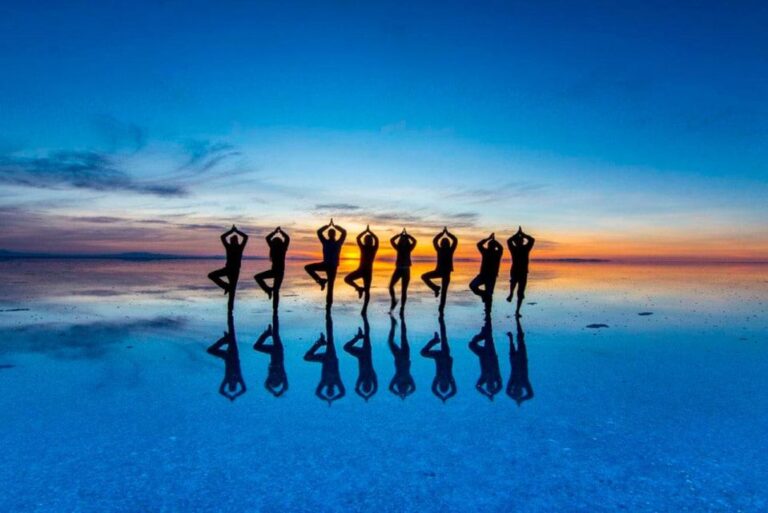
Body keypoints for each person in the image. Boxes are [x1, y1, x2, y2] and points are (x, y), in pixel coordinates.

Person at [305, 219, 347, 309]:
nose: (331, 235)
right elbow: (319, 232)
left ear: (335, 235)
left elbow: (344, 232)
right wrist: (327, 226)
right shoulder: (325, 242)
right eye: (330, 233)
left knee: (330, 288)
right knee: (308, 267)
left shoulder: (338, 243)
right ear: (328, 235)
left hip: (333, 267)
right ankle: (320, 280)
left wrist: (335, 226)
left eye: (332, 233)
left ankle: (328, 307)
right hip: (325, 264)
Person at [304, 313, 345, 405]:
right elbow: (342, 392)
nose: (330, 389)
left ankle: (319, 343)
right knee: (330, 337)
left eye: (328, 391)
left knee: (307, 357)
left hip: (324, 360)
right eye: (331, 391)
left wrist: (327, 399)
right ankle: (329, 319)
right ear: (333, 390)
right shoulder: (337, 382)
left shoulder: (324, 382)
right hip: (331, 357)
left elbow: (318, 392)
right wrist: (333, 399)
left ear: (327, 389)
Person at [208, 225, 248, 313]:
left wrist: (234, 231)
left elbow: (245, 237)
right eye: (232, 240)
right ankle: (226, 287)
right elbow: (222, 237)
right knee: (212, 275)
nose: (232, 241)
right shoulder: (229, 247)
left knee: (232, 292)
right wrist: (234, 231)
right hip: (228, 269)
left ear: (236, 241)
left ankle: (230, 310)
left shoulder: (239, 248)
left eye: (233, 240)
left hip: (234, 270)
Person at [206, 313, 246, 401]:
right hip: (234, 355)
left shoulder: (227, 379)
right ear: (235, 384)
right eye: (233, 384)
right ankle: (230, 317)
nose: (232, 383)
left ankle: (225, 339)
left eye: (231, 384)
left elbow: (221, 390)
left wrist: (229, 396)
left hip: (226, 357)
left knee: (210, 350)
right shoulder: (238, 378)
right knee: (232, 335)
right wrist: (234, 395)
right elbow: (244, 389)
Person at [421, 227, 458, 316]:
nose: (444, 243)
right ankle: (435, 288)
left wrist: (445, 234)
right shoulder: (440, 249)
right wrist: (445, 233)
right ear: (442, 244)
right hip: (439, 271)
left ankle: (441, 308)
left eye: (446, 242)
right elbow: (436, 241)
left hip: (446, 273)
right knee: (424, 276)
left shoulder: (449, 250)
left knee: (444, 292)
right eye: (443, 242)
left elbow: (454, 240)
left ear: (447, 244)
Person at [420, 315, 457, 403]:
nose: (443, 382)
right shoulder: (450, 378)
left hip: (437, 356)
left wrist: (441, 397)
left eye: (441, 384)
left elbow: (433, 389)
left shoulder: (438, 378)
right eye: (445, 384)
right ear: (448, 383)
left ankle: (435, 340)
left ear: (439, 383)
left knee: (423, 353)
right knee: (444, 338)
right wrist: (446, 397)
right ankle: (441, 321)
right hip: (445, 355)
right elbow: (454, 391)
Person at [344, 225, 379, 315]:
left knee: (367, 291)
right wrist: (366, 232)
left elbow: (377, 240)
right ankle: (358, 288)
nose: (368, 241)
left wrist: (369, 232)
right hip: (360, 270)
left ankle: (364, 309)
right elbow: (358, 238)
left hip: (368, 272)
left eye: (369, 240)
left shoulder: (374, 248)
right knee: (347, 279)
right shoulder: (363, 247)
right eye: (367, 240)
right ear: (365, 241)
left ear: (371, 241)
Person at [343, 314, 378, 401]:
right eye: (368, 385)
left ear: (363, 384)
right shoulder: (372, 377)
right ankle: (365, 319)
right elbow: (375, 388)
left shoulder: (361, 378)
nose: (366, 384)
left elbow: (357, 389)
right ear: (370, 384)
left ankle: (358, 337)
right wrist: (367, 396)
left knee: (346, 347)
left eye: (365, 386)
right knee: (367, 335)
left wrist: (364, 396)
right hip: (366, 353)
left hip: (360, 355)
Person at [254, 227, 290, 311]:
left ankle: (274, 308)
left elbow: (286, 238)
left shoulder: (281, 248)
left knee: (276, 291)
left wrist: (276, 232)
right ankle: (269, 292)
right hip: (276, 271)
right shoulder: (278, 248)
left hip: (278, 272)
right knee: (275, 290)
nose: (274, 243)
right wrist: (280, 232)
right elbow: (287, 238)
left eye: (274, 242)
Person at [253, 312, 288, 397]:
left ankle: (267, 333)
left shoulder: (271, 377)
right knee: (275, 334)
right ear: (278, 380)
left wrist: (273, 392)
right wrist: (278, 392)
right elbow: (285, 386)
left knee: (257, 346)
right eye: (275, 381)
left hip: (272, 352)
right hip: (278, 352)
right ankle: (275, 316)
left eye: (272, 380)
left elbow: (266, 385)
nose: (273, 379)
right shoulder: (282, 375)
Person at [469, 315, 502, 400]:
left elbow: (478, 386)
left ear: (486, 384)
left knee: (471, 344)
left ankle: (482, 334)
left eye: (488, 385)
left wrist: (487, 394)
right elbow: (500, 386)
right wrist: (493, 392)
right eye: (491, 385)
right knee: (489, 337)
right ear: (494, 385)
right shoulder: (496, 377)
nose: (489, 384)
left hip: (482, 355)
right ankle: (488, 320)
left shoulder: (484, 379)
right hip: (491, 354)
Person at [506, 226, 535, 317]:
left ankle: (511, 295)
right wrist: (521, 234)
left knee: (515, 284)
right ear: (522, 241)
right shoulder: (525, 248)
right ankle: (517, 310)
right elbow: (531, 240)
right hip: (521, 271)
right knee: (520, 291)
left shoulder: (514, 248)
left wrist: (517, 234)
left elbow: (509, 240)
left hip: (517, 271)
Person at [469, 233, 503, 309]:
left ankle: (488, 311)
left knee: (489, 294)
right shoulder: (486, 252)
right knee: (473, 286)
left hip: (491, 277)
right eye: (489, 245)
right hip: (483, 275)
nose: (490, 246)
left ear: (494, 247)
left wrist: (491, 239)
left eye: (491, 245)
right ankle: (484, 295)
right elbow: (479, 244)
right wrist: (491, 239)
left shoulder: (497, 253)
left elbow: (500, 247)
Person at [388, 228, 417, 316]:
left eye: (405, 240)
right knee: (390, 286)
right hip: (398, 269)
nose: (403, 241)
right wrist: (399, 235)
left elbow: (415, 241)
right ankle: (394, 300)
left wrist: (408, 235)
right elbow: (392, 240)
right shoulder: (398, 248)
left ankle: (402, 308)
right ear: (400, 240)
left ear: (407, 241)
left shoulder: (409, 248)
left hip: (406, 270)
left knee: (404, 290)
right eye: (402, 239)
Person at [387, 314, 416, 399]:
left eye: (401, 390)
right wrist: (406, 394)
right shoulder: (408, 379)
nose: (402, 390)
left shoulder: (397, 378)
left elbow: (390, 388)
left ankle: (394, 324)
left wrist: (398, 394)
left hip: (399, 356)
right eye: (404, 390)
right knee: (403, 336)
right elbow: (413, 388)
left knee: (391, 341)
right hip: (405, 355)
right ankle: (402, 319)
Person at [507, 317, 533, 405]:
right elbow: (530, 394)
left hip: (514, 360)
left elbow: (507, 392)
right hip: (521, 359)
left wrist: (517, 398)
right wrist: (521, 399)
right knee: (520, 339)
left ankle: (511, 336)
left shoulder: (514, 382)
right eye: (516, 391)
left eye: (514, 390)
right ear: (521, 391)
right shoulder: (524, 382)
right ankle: (518, 321)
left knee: (517, 342)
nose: (515, 389)